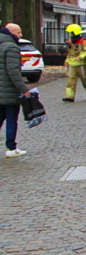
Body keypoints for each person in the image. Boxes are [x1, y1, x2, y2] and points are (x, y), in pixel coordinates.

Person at [0, 23, 31, 157]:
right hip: (9, 91)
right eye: (18, 33)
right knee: (12, 119)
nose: (21, 35)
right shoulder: (11, 47)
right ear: (11, 32)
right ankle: (11, 148)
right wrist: (23, 89)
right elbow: (13, 72)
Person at [62, 24, 86, 102]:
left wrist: (80, 57)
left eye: (70, 32)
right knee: (70, 81)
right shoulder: (70, 43)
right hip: (72, 65)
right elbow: (70, 54)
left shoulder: (83, 41)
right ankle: (70, 96)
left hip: (82, 65)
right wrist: (67, 61)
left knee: (85, 80)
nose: (69, 34)